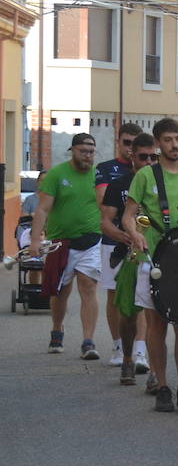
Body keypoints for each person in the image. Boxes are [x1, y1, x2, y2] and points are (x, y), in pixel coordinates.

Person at [121, 117, 178, 413]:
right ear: (158, 143)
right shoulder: (146, 176)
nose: (175, 145)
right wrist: (135, 232)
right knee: (156, 325)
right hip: (154, 256)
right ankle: (162, 386)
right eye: (169, 140)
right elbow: (129, 216)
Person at [29, 133, 104, 358]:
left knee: (88, 287)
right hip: (61, 242)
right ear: (72, 151)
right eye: (83, 151)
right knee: (60, 291)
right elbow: (42, 209)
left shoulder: (98, 176)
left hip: (91, 240)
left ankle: (88, 341)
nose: (88, 156)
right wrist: (35, 240)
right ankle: (57, 329)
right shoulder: (56, 174)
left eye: (91, 152)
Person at [99, 132, 158, 385]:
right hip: (126, 251)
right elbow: (105, 222)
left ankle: (143, 356)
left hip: (156, 252)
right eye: (142, 157)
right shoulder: (119, 185)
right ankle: (124, 356)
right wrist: (125, 237)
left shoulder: (164, 183)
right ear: (132, 156)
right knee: (125, 308)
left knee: (151, 307)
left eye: (152, 157)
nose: (148, 162)